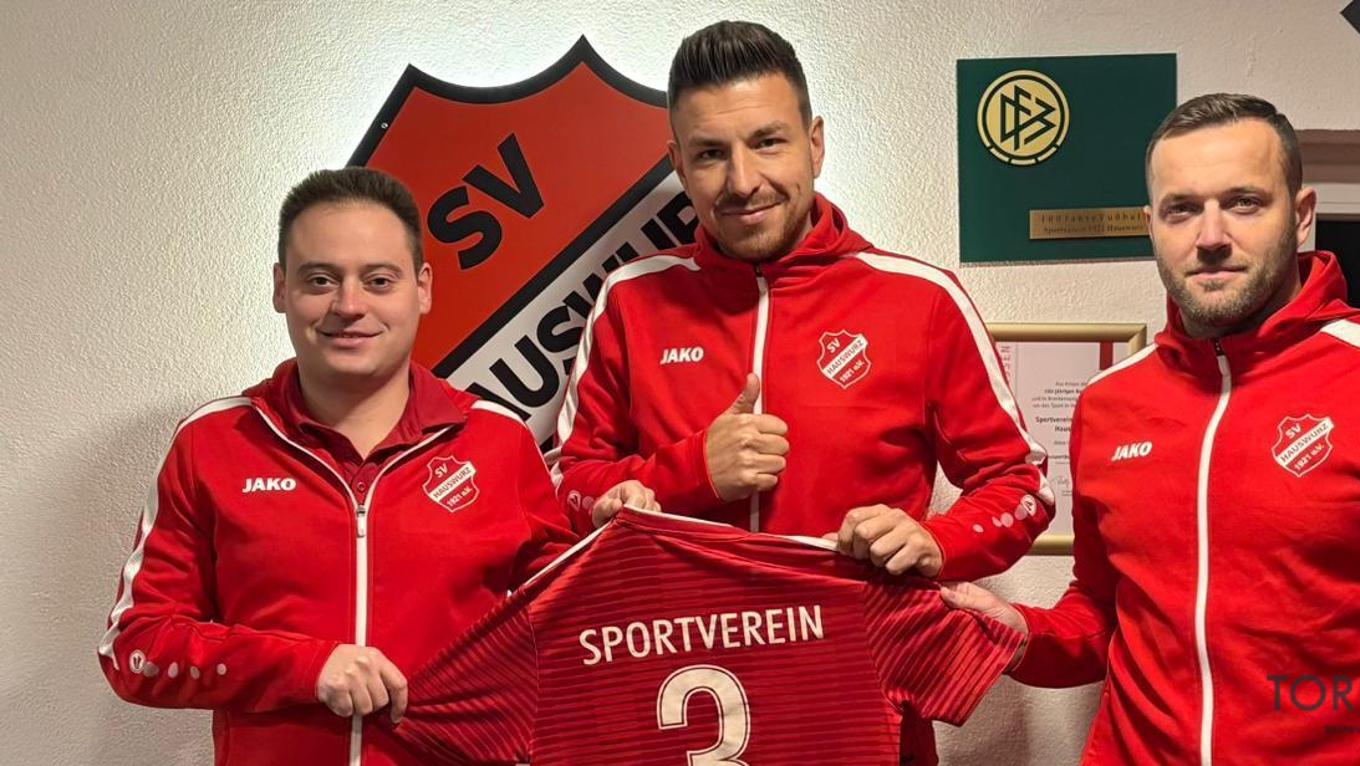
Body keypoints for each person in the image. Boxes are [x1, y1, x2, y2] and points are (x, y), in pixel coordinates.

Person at [944, 93, 1360, 764]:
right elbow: (1106, 615)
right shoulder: (1109, 404)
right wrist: (1020, 633)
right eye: (1182, 209)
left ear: (1302, 214)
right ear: (1151, 226)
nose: (1210, 236)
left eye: (1244, 202)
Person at [551, 21, 1051, 763]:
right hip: (669, 712)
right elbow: (565, 486)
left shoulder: (920, 299)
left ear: (815, 144)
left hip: (859, 715)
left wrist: (935, 541)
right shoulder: (629, 299)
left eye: (768, 142)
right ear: (677, 163)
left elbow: (1022, 486)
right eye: (710, 154)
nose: (742, 180)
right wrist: (690, 474)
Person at [97, 167, 655, 766]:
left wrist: (613, 549)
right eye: (320, 280)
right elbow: (135, 647)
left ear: (423, 288)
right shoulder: (213, 442)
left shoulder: (498, 441)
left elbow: (570, 632)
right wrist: (304, 667)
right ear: (281, 288)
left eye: (378, 280)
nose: (349, 305)